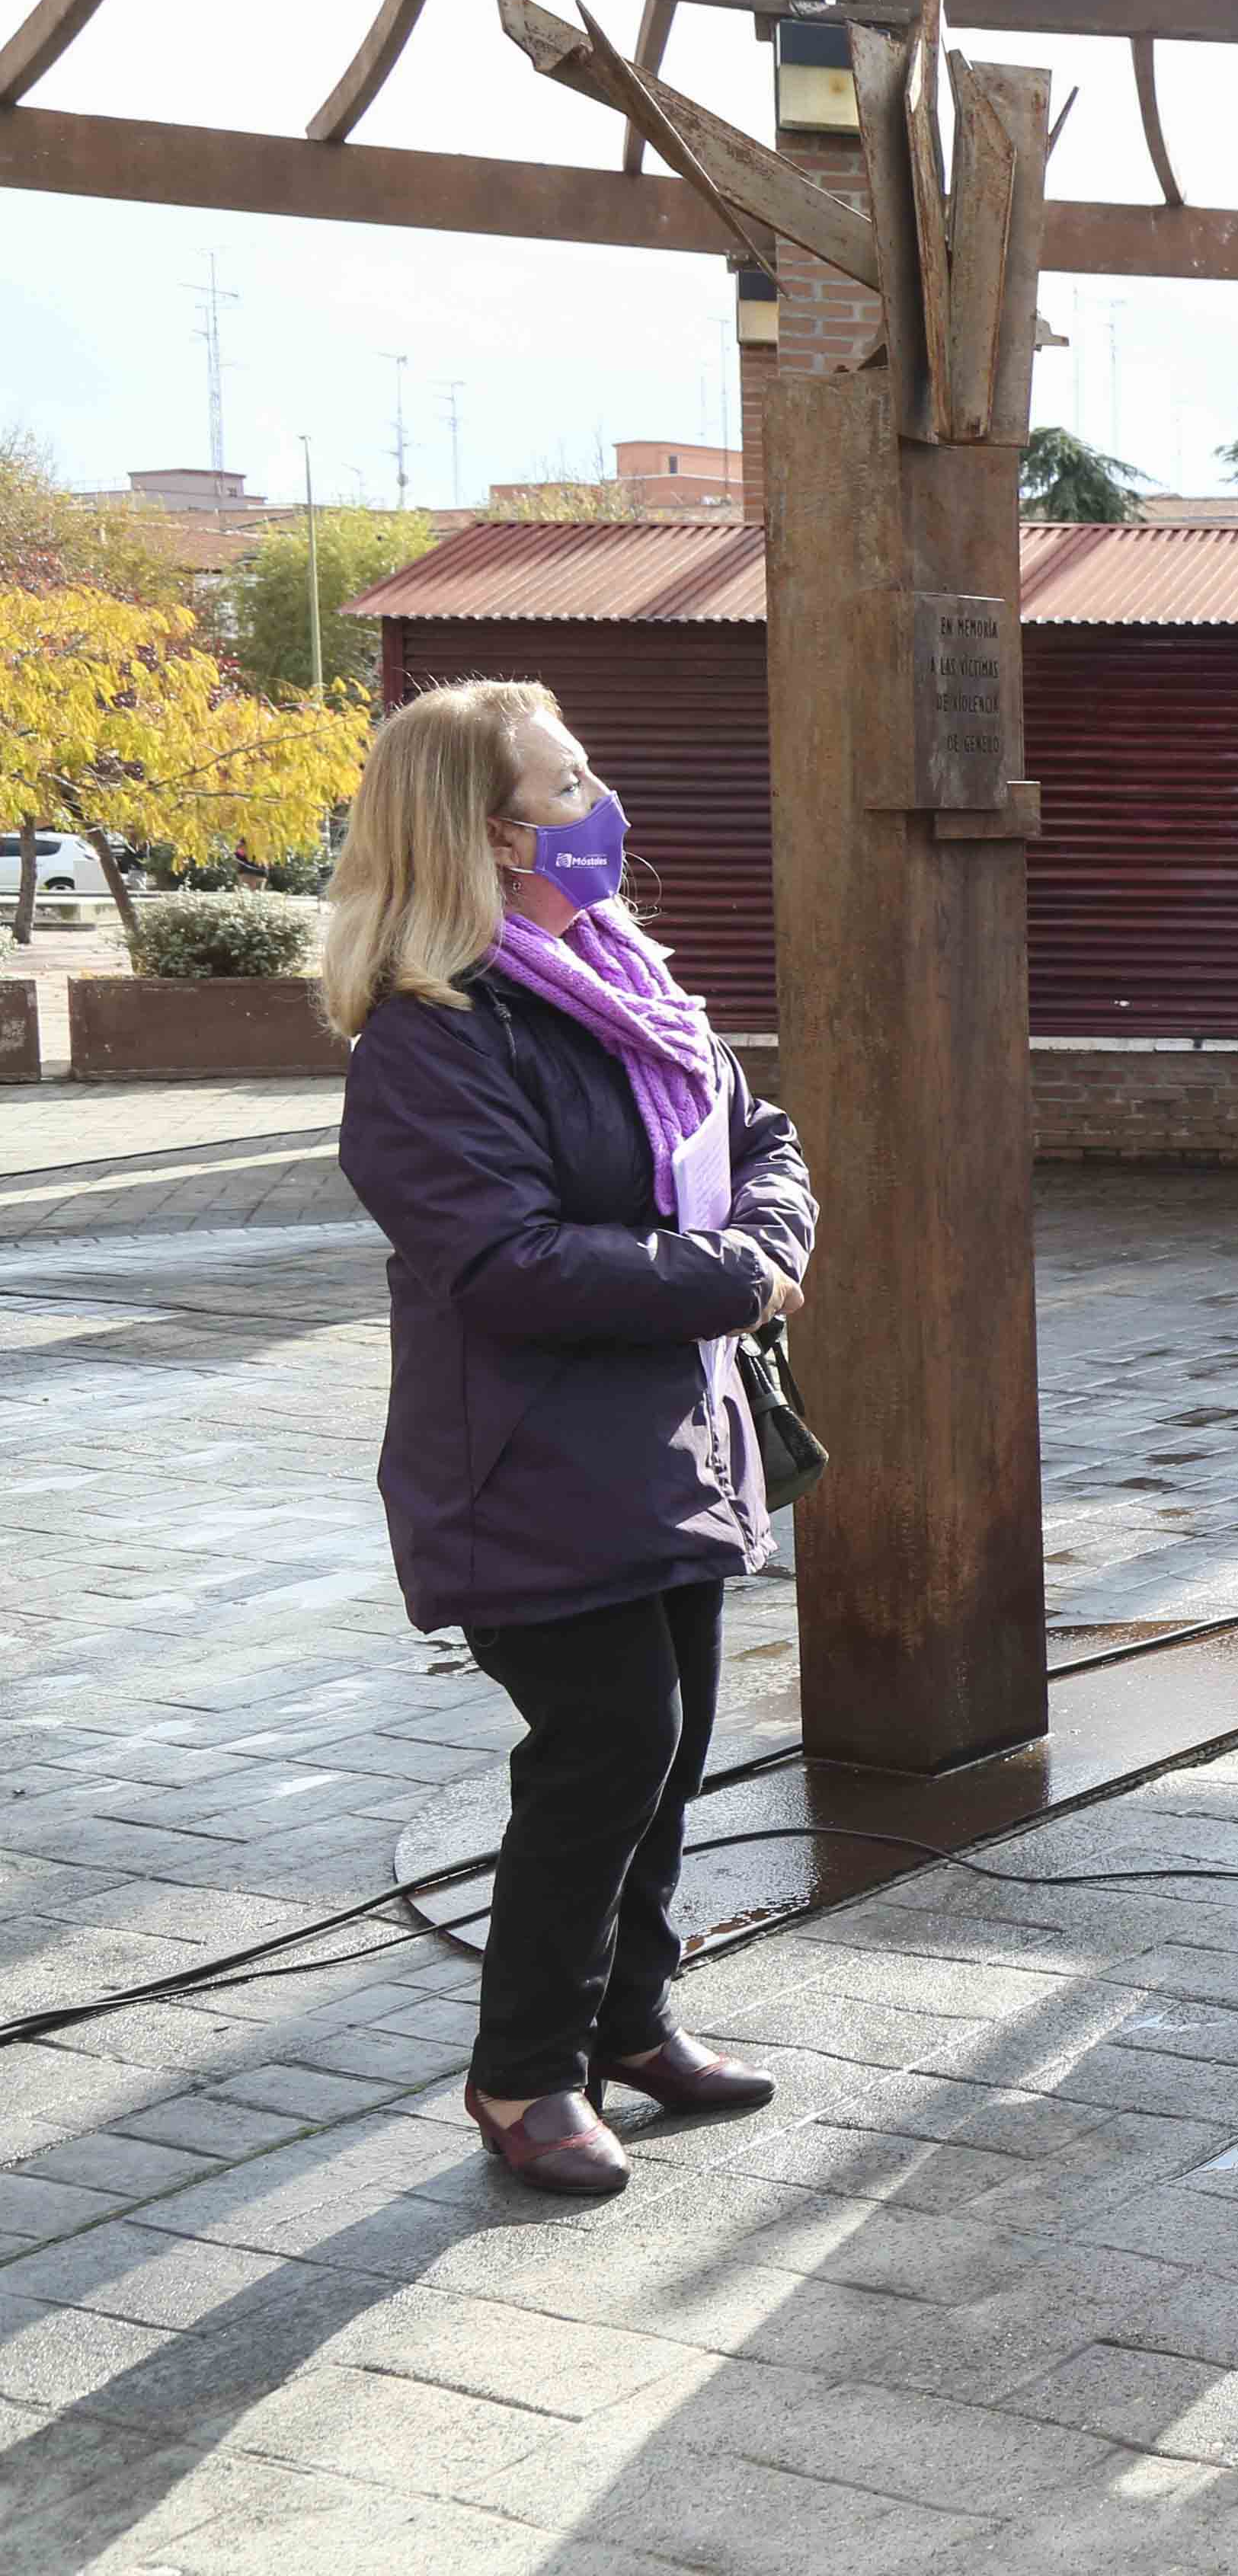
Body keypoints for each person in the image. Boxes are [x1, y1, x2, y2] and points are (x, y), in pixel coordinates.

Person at [326, 679, 817, 2196]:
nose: (601, 806)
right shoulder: (431, 1033)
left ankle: (631, 2023)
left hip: (679, 1438)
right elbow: (505, 1262)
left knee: (667, 1751)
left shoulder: (626, 978)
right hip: (530, 1464)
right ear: (487, 833)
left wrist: (767, 1242)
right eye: (568, 786)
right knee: (608, 1749)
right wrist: (734, 1276)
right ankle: (522, 2072)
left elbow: (762, 1136)